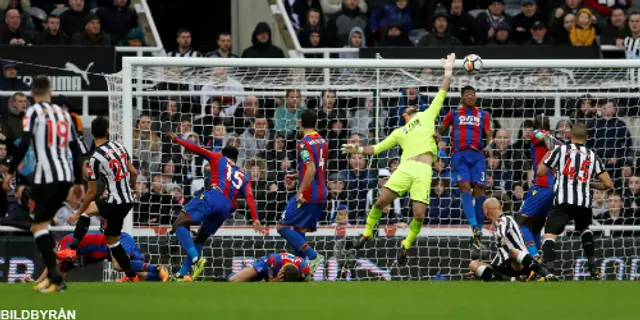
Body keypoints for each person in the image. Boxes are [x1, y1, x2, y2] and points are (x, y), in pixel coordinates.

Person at [342, 53, 456, 264]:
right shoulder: (399, 132)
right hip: (405, 167)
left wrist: (448, 71)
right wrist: (356, 149)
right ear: (404, 113)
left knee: (419, 215)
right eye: (408, 107)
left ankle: (406, 244)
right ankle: (367, 233)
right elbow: (375, 149)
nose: (412, 107)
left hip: (423, 170)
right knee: (380, 202)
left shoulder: (427, 114)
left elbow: (442, 92)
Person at [2, 75, 85, 293]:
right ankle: (54, 277)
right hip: (65, 176)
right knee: (43, 224)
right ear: (50, 92)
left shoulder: (32, 112)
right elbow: (76, 150)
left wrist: (10, 172)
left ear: (31, 94)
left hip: (45, 177)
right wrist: (78, 182)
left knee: (38, 225)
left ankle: (56, 279)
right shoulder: (64, 114)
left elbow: (26, 143)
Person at [166, 131, 263, 281]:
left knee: (179, 223)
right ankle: (182, 274)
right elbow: (250, 197)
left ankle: (196, 259)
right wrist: (255, 218)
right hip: (227, 208)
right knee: (201, 237)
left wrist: (178, 139)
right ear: (236, 160)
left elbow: (196, 149)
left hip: (214, 196)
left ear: (223, 154)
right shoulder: (244, 175)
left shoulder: (218, 158)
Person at [56, 116, 140, 282]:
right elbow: (134, 172)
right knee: (113, 242)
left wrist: (77, 213)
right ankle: (132, 276)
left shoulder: (95, 158)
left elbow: (91, 192)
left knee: (88, 212)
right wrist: (133, 188)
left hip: (115, 201)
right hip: (127, 200)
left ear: (92, 133)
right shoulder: (119, 146)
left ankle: (72, 249)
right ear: (108, 131)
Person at [538, 123, 613, 279]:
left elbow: (540, 172)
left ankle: (549, 272)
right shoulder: (592, 155)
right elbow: (608, 184)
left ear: (570, 135)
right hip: (583, 203)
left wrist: (546, 157)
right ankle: (593, 269)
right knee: (584, 228)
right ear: (586, 138)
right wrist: (588, 183)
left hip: (563, 201)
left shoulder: (559, 150)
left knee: (549, 235)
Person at [438, 85, 493, 252]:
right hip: (459, 155)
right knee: (464, 187)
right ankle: (475, 226)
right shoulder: (454, 114)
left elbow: (489, 132)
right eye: (468, 95)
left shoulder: (483, 114)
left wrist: (489, 144)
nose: (471, 97)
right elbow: (442, 127)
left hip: (477, 156)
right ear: (461, 98)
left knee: (481, 192)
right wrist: (438, 133)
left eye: (473, 95)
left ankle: (477, 235)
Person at [278, 110, 327, 274]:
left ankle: (313, 256)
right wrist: (296, 175)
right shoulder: (322, 141)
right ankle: (301, 271)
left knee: (282, 226)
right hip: (321, 194)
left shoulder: (304, 143)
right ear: (316, 123)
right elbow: (314, 168)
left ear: (300, 123)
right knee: (299, 231)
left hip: (308, 195)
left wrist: (300, 191)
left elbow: (311, 169)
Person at [30, 232, 169, 288]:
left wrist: (38, 281)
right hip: (112, 247)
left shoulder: (65, 243)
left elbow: (54, 263)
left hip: (117, 239)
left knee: (118, 266)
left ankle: (156, 268)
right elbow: (59, 275)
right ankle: (166, 278)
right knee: (138, 275)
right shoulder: (68, 260)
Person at [468, 198, 556, 282]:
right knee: (473, 264)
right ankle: (513, 280)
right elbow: (501, 252)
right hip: (505, 265)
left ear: (485, 211)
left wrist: (499, 237)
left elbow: (501, 235)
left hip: (519, 263)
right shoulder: (497, 225)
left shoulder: (506, 219)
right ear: (500, 207)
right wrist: (484, 272)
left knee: (512, 251)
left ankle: (545, 274)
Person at [516, 114, 561, 258]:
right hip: (553, 189)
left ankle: (534, 256)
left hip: (542, 186)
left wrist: (551, 149)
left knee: (521, 222)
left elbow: (545, 138)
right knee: (535, 227)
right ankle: (539, 263)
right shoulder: (558, 141)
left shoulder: (537, 134)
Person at [227, 252, 310, 282]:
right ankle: (235, 274)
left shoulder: (305, 270)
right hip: (265, 265)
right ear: (281, 270)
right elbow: (270, 284)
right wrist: (276, 279)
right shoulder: (273, 261)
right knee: (234, 280)